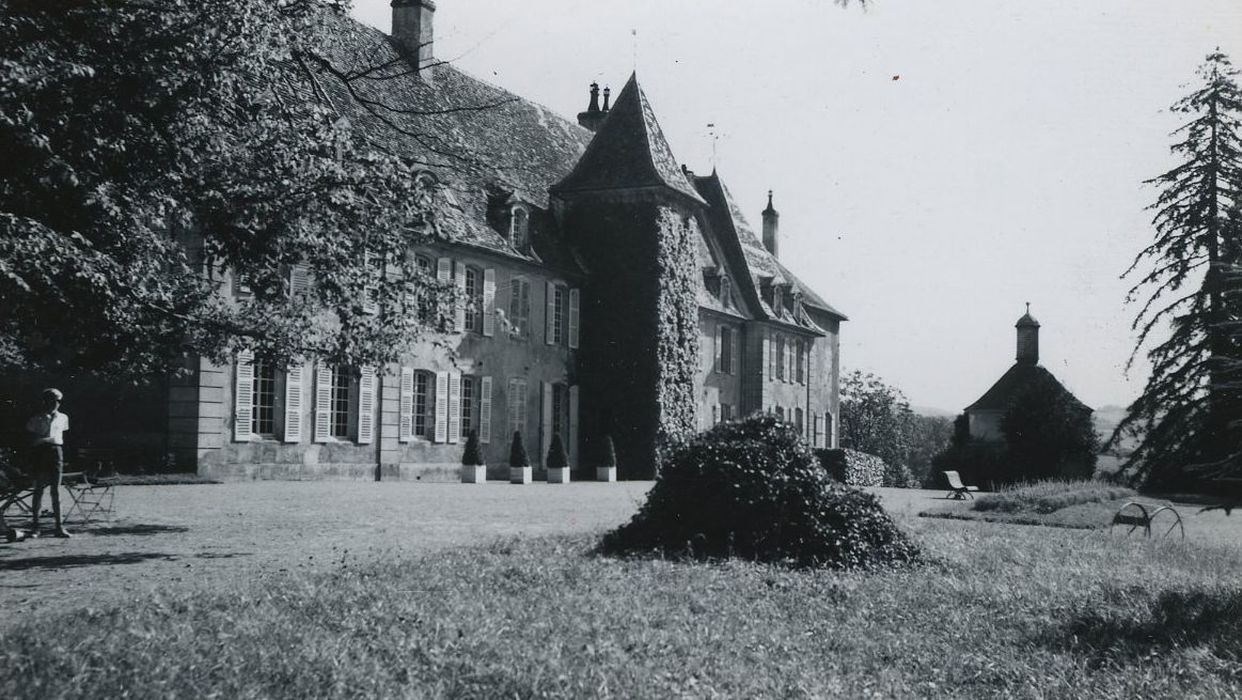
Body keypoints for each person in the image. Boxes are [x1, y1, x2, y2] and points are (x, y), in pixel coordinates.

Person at [26, 388, 71, 538]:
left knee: (56, 490)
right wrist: (44, 440)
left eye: (58, 401)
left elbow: (61, 436)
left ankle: (59, 527)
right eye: (51, 400)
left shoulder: (63, 417)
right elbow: (31, 440)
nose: (55, 404)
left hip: (56, 452)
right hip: (40, 453)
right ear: (44, 401)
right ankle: (36, 527)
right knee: (39, 489)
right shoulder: (36, 419)